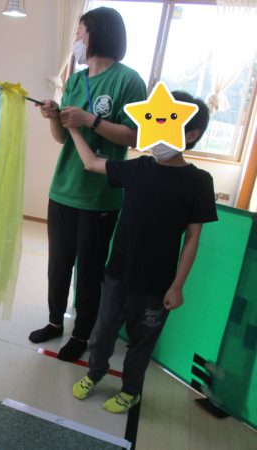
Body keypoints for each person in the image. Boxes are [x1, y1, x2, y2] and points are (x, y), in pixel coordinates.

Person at [69, 91, 217, 413]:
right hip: (117, 274)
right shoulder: (139, 168)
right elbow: (91, 163)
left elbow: (193, 237)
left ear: (191, 134)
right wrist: (74, 129)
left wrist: (177, 286)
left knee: (141, 343)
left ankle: (131, 390)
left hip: (156, 285)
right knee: (102, 333)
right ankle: (94, 373)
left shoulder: (199, 182)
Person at [31, 7, 147, 362]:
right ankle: (55, 321)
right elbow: (63, 138)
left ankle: (82, 333)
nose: (77, 40)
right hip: (63, 189)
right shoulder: (75, 80)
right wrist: (54, 117)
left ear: (98, 34)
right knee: (58, 265)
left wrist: (90, 120)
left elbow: (135, 136)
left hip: (100, 196)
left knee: (90, 270)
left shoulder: (128, 81)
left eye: (80, 32)